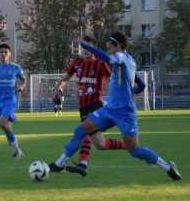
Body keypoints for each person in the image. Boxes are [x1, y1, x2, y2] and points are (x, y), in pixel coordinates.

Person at [49, 31, 181, 181]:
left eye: (110, 46)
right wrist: (131, 91)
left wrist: (84, 45)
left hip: (125, 113)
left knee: (134, 150)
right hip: (109, 109)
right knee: (80, 130)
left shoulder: (120, 57)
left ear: (117, 45)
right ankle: (60, 163)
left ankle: (168, 167)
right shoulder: (130, 61)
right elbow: (142, 84)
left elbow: (107, 58)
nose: (108, 49)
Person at [50, 36, 140, 176]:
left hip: (96, 104)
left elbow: (118, 76)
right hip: (83, 107)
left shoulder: (101, 64)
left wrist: (127, 90)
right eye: (83, 46)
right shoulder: (77, 62)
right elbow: (66, 78)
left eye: (88, 46)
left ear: (93, 47)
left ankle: (72, 164)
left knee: (84, 132)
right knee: (100, 144)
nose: (85, 49)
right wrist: (58, 88)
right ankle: (129, 146)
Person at [0, 43, 26, 159]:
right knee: (6, 126)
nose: (3, 54)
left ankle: (14, 143)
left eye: (5, 52)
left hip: (10, 100)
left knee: (2, 122)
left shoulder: (15, 67)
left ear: (9, 54)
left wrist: (21, 87)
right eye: (1, 52)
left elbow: (23, 80)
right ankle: (17, 150)